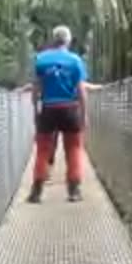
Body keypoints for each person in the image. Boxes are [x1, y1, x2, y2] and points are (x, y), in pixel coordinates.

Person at [28, 25, 90, 203]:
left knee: (43, 150)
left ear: (53, 39)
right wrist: (84, 114)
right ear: (68, 40)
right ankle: (74, 191)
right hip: (70, 109)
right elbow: (81, 90)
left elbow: (36, 89)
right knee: (74, 149)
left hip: (48, 109)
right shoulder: (75, 60)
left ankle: (36, 192)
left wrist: (35, 111)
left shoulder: (41, 59)